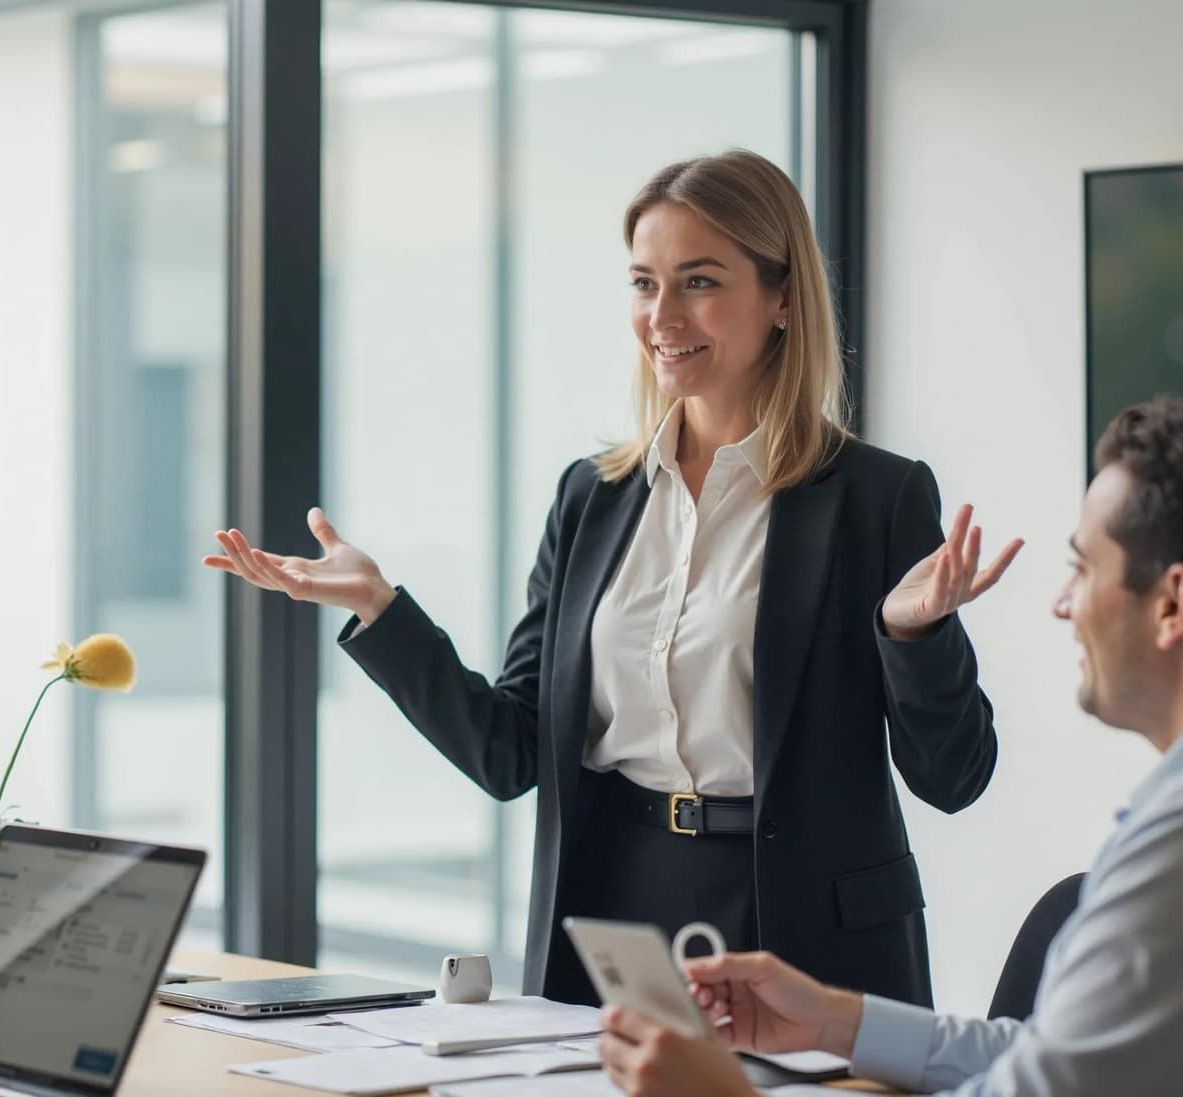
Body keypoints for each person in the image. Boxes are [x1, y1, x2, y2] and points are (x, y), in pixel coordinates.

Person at [206, 148, 1019, 1005]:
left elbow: (954, 777)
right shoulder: (592, 497)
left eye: (698, 281)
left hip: (809, 933)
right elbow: (510, 749)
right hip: (616, 912)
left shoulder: (876, 496)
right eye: (643, 282)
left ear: (782, 297)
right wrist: (379, 608)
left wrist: (913, 634)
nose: (662, 314)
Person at [597, 396, 1183, 1097]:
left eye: (1083, 568)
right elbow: (1053, 1056)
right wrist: (834, 1018)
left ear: (1172, 604)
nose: (1062, 603)